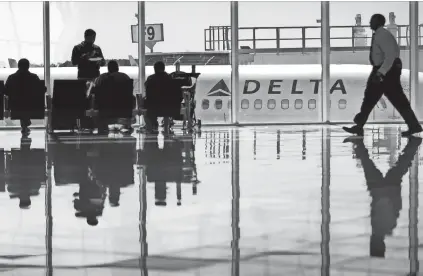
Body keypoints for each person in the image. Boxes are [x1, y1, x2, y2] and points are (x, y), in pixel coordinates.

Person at [343, 14, 422, 137]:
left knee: (375, 97)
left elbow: (390, 56)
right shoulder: (381, 35)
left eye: (372, 20)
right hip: (385, 69)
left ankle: (359, 126)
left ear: (378, 22)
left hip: (385, 70)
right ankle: (359, 125)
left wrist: (381, 73)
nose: (370, 23)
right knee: (376, 97)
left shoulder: (383, 35)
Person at [344, 135, 421, 257]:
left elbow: (395, 207)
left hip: (385, 191)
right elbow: (389, 208)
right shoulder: (382, 228)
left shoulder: (385, 228)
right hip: (382, 191)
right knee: (370, 165)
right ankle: (358, 144)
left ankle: (414, 144)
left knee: (399, 165)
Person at [4, 58, 45, 135]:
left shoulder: (11, 77)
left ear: (18, 66)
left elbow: (5, 91)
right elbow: (43, 89)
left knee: (21, 104)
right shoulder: (34, 77)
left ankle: (25, 125)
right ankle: (25, 125)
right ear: (28, 66)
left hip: (15, 106)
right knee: (26, 103)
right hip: (32, 106)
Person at [92, 60, 134, 134]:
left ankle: (102, 126)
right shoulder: (125, 77)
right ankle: (127, 125)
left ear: (108, 68)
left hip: (105, 108)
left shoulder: (101, 78)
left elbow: (96, 92)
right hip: (124, 108)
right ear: (117, 68)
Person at [144, 61, 182, 133]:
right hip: (170, 107)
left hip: (153, 107)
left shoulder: (150, 79)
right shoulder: (172, 79)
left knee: (146, 103)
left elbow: (148, 93)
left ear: (155, 69)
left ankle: (151, 125)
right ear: (164, 68)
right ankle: (165, 126)